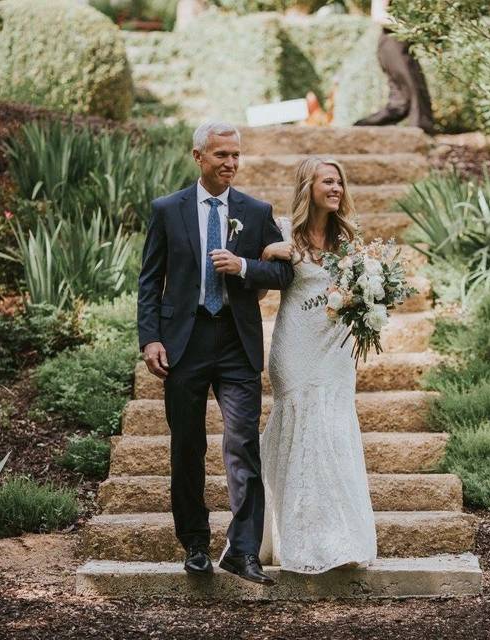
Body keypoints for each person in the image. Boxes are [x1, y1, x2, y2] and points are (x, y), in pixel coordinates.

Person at [137, 121, 294, 585]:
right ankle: (195, 545)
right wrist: (151, 338)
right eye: (221, 155)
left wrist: (243, 266)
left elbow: (282, 275)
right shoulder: (167, 210)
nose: (230, 163)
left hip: (235, 341)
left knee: (242, 445)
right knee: (187, 447)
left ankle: (243, 551)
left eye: (235, 156)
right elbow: (149, 281)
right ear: (198, 156)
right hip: (183, 344)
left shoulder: (256, 209)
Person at [257, 157, 378, 573]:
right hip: (296, 349)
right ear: (308, 186)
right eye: (328, 181)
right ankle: (296, 539)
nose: (337, 188)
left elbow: (363, 292)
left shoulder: (349, 240)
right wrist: (267, 253)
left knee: (332, 432)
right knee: (303, 431)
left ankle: (337, 539)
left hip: (337, 351)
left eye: (340, 182)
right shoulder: (283, 233)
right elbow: (257, 292)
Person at [353, 0, 435, 134]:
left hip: (402, 44)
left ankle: (361, 127)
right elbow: (378, 15)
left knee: (400, 102)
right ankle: (422, 135)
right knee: (415, 89)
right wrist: (408, 28)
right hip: (393, 43)